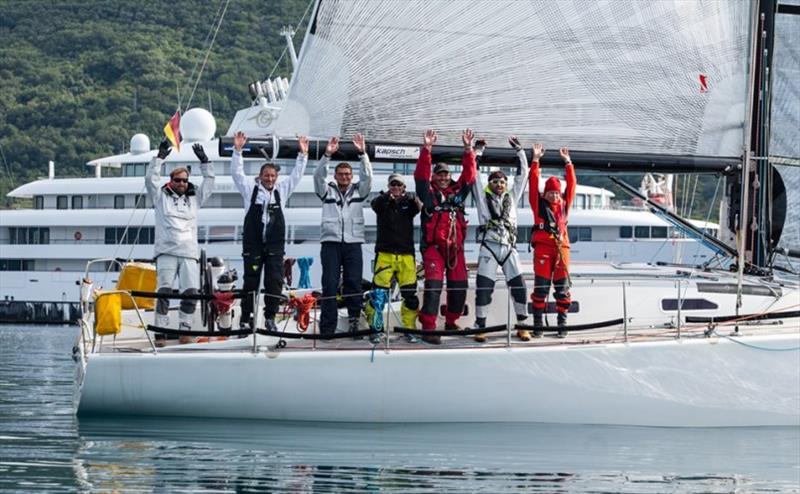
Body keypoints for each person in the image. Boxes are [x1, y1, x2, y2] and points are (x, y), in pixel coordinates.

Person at [231, 131, 310, 331]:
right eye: (266, 175)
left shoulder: (281, 191)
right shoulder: (249, 189)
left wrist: (302, 155)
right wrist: (237, 150)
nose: (269, 179)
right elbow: (237, 174)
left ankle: (270, 318)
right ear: (260, 176)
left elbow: (296, 176)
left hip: (275, 245)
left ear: (276, 177)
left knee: (274, 281)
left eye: (273, 175)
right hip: (253, 243)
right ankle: (245, 317)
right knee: (251, 281)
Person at [145, 139, 215, 345]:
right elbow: (150, 179)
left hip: (188, 253)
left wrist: (205, 161)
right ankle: (161, 331)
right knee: (164, 291)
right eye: (178, 180)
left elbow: (210, 181)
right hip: (166, 251)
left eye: (184, 180)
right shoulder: (160, 197)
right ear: (171, 180)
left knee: (191, 293)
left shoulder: (196, 198)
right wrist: (158, 158)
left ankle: (185, 330)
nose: (182, 183)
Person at [414, 129, 477, 345]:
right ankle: (429, 328)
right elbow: (420, 175)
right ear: (434, 177)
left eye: (446, 175)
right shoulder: (427, 193)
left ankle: (451, 321)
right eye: (439, 174)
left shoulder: (458, 193)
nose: (442, 177)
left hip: (455, 249)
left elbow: (469, 175)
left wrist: (468, 150)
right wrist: (427, 149)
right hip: (433, 249)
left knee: (459, 285)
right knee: (433, 286)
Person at [472, 136, 530, 342]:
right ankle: (480, 326)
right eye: (496, 181)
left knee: (520, 287)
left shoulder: (512, 197)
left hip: (508, 247)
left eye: (503, 181)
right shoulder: (481, 196)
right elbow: (474, 174)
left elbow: (523, 175)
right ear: (490, 184)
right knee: (484, 288)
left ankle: (523, 325)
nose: (500, 184)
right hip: (489, 246)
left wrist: (520, 151)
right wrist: (478, 151)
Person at [313, 134, 373, 336]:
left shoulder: (359, 191)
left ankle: (355, 321)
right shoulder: (326, 192)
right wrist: (327, 155)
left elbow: (368, 178)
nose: (345, 177)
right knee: (329, 284)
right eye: (341, 174)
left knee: (353, 283)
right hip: (330, 243)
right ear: (335, 176)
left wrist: (363, 154)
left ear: (352, 176)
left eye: (348, 174)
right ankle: (327, 327)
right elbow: (318, 177)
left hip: (353, 242)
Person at [364, 173, 421, 339]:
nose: (395, 187)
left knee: (410, 296)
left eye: (399, 185)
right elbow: (375, 204)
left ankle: (409, 330)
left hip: (406, 256)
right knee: (378, 295)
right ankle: (375, 330)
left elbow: (421, 207)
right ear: (389, 187)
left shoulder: (409, 203)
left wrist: (412, 198)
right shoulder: (381, 202)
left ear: (404, 187)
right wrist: (387, 197)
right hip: (385, 255)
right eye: (393, 185)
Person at [529, 144, 576, 338]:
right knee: (540, 289)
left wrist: (568, 163)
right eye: (550, 192)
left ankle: (561, 325)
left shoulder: (565, 205)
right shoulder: (538, 205)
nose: (554, 195)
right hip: (543, 249)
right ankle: (538, 325)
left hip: (561, 248)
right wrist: (535, 160)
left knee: (562, 290)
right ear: (545, 193)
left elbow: (572, 184)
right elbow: (533, 183)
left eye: (556, 192)